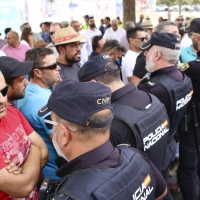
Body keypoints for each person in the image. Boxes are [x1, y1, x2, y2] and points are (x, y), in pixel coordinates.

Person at [38, 79, 167, 200]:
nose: (51, 129)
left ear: (64, 134)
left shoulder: (72, 194)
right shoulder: (135, 155)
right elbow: (162, 192)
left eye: (51, 124)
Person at [79, 54, 170, 172]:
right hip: (160, 175)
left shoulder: (111, 121)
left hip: (140, 183)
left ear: (93, 84)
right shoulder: (151, 97)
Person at [138, 32, 193, 200]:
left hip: (155, 152)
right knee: (165, 186)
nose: (145, 54)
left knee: (159, 192)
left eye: (148, 51)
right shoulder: (184, 78)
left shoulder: (152, 88)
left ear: (158, 54)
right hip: (170, 142)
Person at [0, 68, 48, 199]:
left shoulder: (12, 113)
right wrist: (34, 151)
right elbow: (23, 187)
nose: (2, 100)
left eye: (3, 91)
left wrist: (21, 172)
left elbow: (44, 151)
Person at [17, 48, 61, 181]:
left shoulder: (27, 91)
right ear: (37, 72)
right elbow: (61, 142)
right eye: (53, 66)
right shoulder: (43, 102)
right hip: (57, 174)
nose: (58, 68)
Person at [177, 23, 200, 200]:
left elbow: (180, 70)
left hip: (193, 123)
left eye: (192, 34)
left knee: (188, 168)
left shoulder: (191, 67)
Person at [131, 21, 181, 86]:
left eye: (178, 32)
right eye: (174, 33)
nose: (179, 35)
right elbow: (135, 84)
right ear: (161, 35)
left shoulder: (174, 51)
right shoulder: (148, 55)